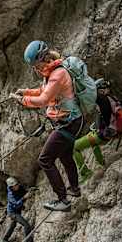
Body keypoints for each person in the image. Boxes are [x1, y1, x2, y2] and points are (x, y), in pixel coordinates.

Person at [11, 40, 83, 212]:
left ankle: (62, 200)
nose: (36, 68)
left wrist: (22, 100)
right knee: (65, 156)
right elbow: (44, 92)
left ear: (43, 58)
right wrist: (26, 91)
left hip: (68, 123)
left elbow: (43, 100)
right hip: (69, 121)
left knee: (44, 160)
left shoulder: (58, 74)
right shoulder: (50, 72)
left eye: (36, 64)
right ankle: (74, 189)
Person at [73, 79, 122, 182]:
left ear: (100, 91)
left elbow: (117, 117)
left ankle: (85, 173)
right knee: (92, 140)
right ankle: (101, 163)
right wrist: (118, 131)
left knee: (74, 147)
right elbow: (119, 116)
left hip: (104, 134)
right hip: (107, 132)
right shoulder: (113, 100)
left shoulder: (103, 99)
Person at [1, 177, 34, 242]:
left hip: (16, 211)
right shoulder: (10, 195)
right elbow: (16, 204)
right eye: (15, 186)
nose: (17, 186)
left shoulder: (19, 188)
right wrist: (24, 198)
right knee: (26, 225)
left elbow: (24, 191)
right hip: (12, 212)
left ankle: (5, 239)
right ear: (11, 187)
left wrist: (30, 191)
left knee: (13, 226)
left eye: (17, 184)